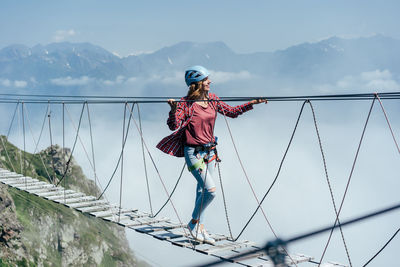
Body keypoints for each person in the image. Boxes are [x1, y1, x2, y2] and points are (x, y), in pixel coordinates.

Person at [157, 66, 267, 244]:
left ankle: (200, 226)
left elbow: (231, 112)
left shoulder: (213, 99)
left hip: (210, 153)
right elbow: (174, 125)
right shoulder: (185, 104)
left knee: (202, 192)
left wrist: (252, 103)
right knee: (211, 191)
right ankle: (193, 223)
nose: (210, 81)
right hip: (193, 153)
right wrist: (172, 109)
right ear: (198, 83)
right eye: (206, 79)